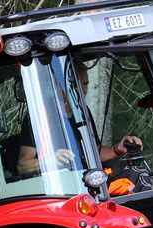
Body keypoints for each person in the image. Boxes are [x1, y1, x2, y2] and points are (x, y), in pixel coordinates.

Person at [13, 61, 142, 176]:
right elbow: (23, 166)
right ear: (61, 85)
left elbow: (96, 152)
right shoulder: (40, 116)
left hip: (89, 180)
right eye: (78, 85)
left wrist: (117, 149)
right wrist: (51, 161)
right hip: (58, 188)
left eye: (86, 84)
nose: (84, 90)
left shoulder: (83, 111)